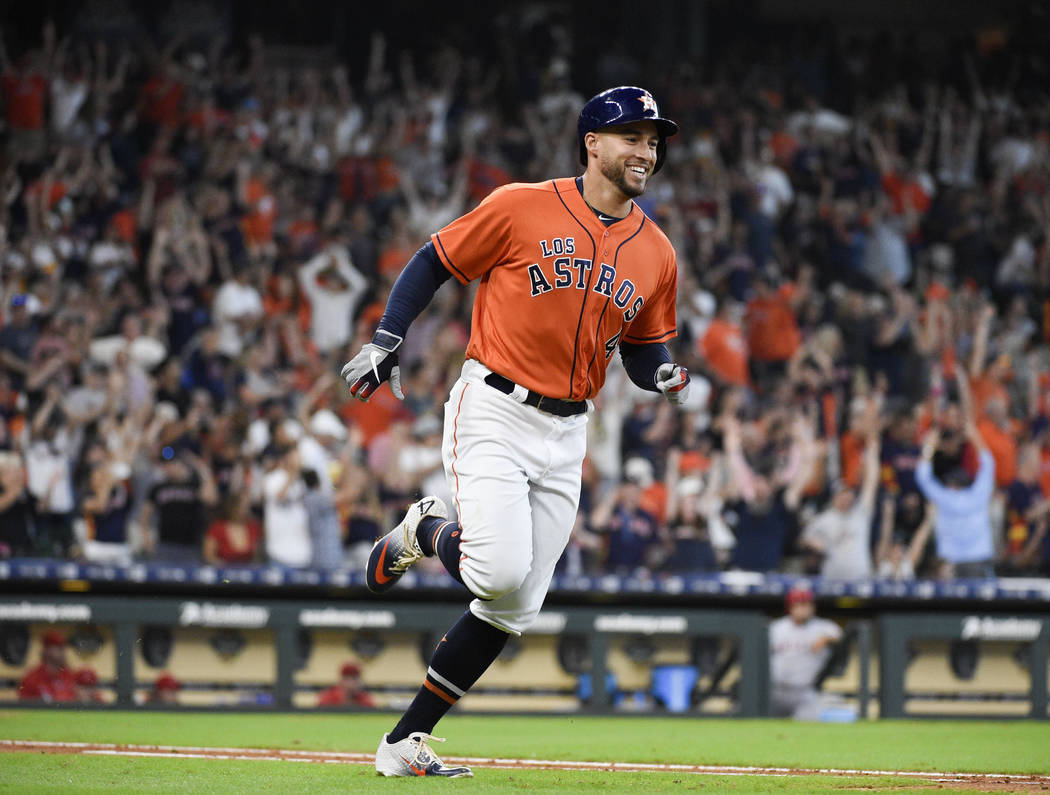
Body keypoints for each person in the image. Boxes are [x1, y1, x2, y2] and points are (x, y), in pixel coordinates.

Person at [340, 86, 688, 777]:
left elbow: (645, 349)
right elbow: (434, 259)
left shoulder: (657, 251)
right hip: (495, 405)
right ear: (593, 143)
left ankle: (403, 741)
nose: (646, 151)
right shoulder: (520, 204)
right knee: (497, 571)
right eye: (633, 137)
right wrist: (387, 337)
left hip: (569, 431)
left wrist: (664, 375)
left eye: (653, 140)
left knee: (515, 605)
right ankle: (425, 529)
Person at [768, 584, 843, 719]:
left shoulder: (822, 627)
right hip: (775, 690)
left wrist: (827, 639)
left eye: (807, 604)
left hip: (804, 692)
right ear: (791, 607)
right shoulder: (777, 628)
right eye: (800, 604)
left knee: (808, 725)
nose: (804, 608)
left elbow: (839, 635)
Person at [17, 629, 76, 702]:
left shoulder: (69, 676)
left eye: (62, 647)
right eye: (58, 647)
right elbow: (23, 705)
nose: (62, 651)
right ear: (46, 649)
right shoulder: (32, 678)